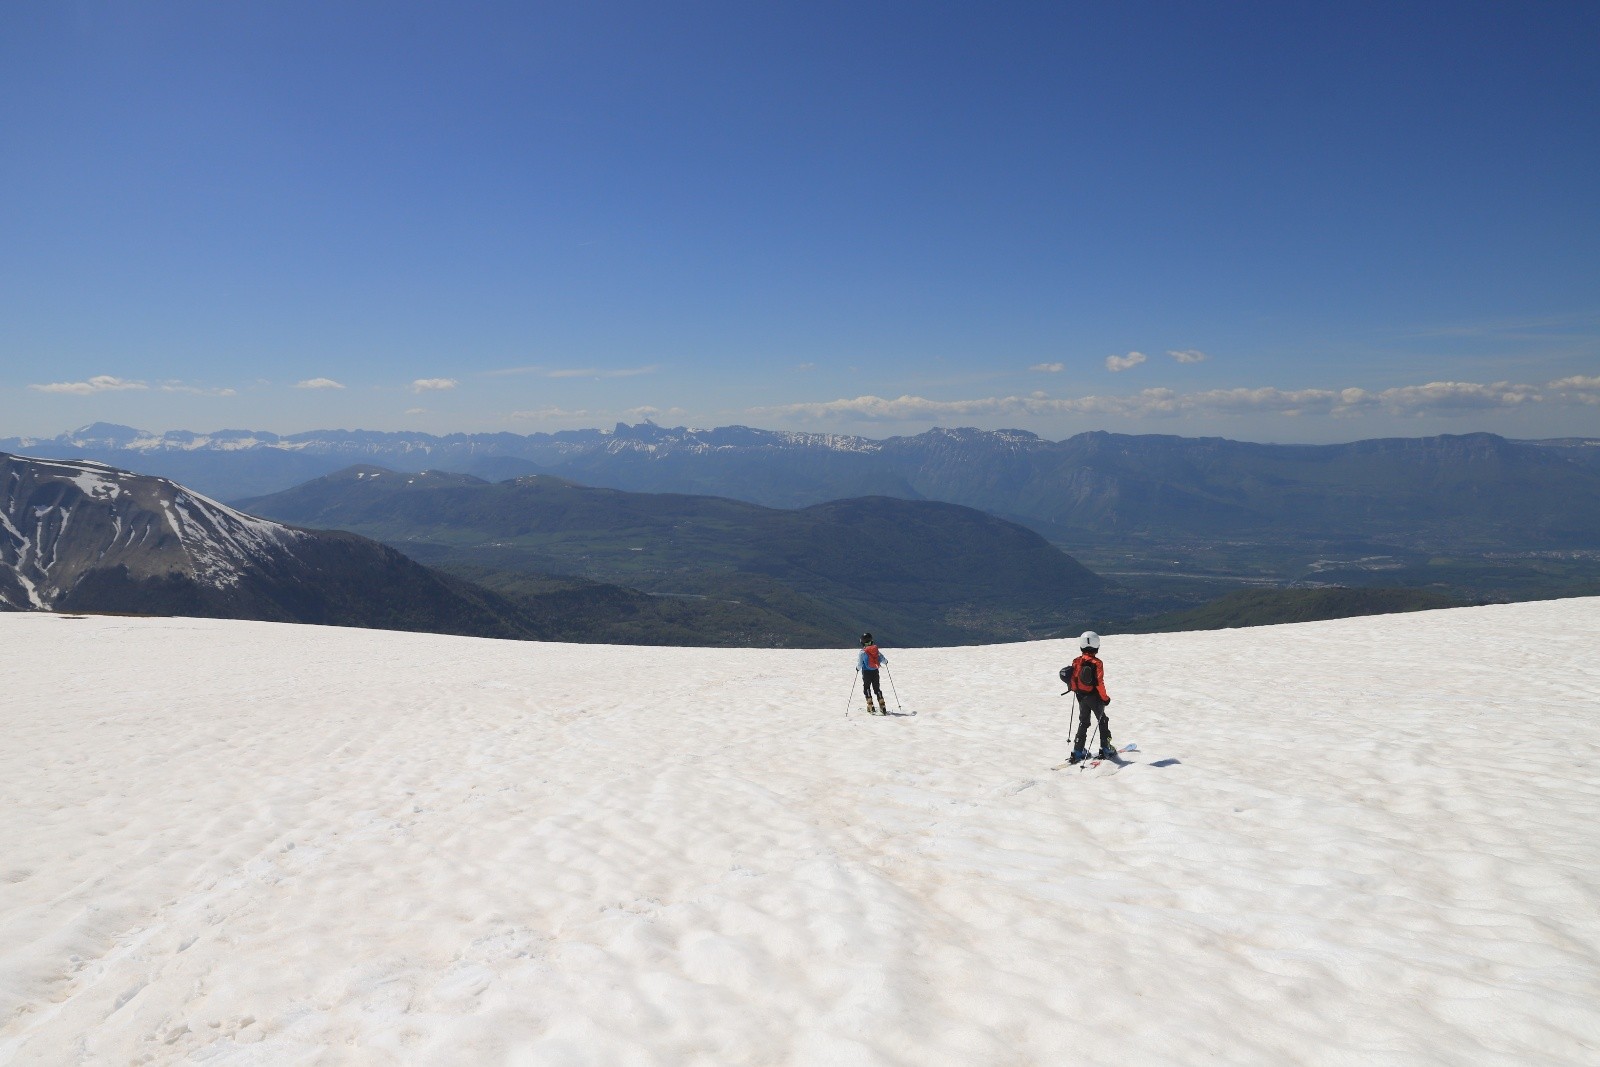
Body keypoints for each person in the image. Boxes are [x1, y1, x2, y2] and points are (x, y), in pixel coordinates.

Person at [1064, 630, 1113, 763]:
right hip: (1094, 697)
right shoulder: (1097, 663)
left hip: (1081, 696)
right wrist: (1105, 698)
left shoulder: (1076, 661)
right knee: (1102, 720)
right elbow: (1099, 683)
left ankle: (1078, 751)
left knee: (1084, 722)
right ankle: (1105, 748)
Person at [857, 632, 889, 715]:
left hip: (866, 672)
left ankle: (870, 705)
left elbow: (860, 664)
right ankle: (882, 704)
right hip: (875, 672)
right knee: (877, 688)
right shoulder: (876, 651)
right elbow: (884, 660)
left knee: (867, 687)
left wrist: (857, 669)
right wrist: (886, 662)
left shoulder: (862, 652)